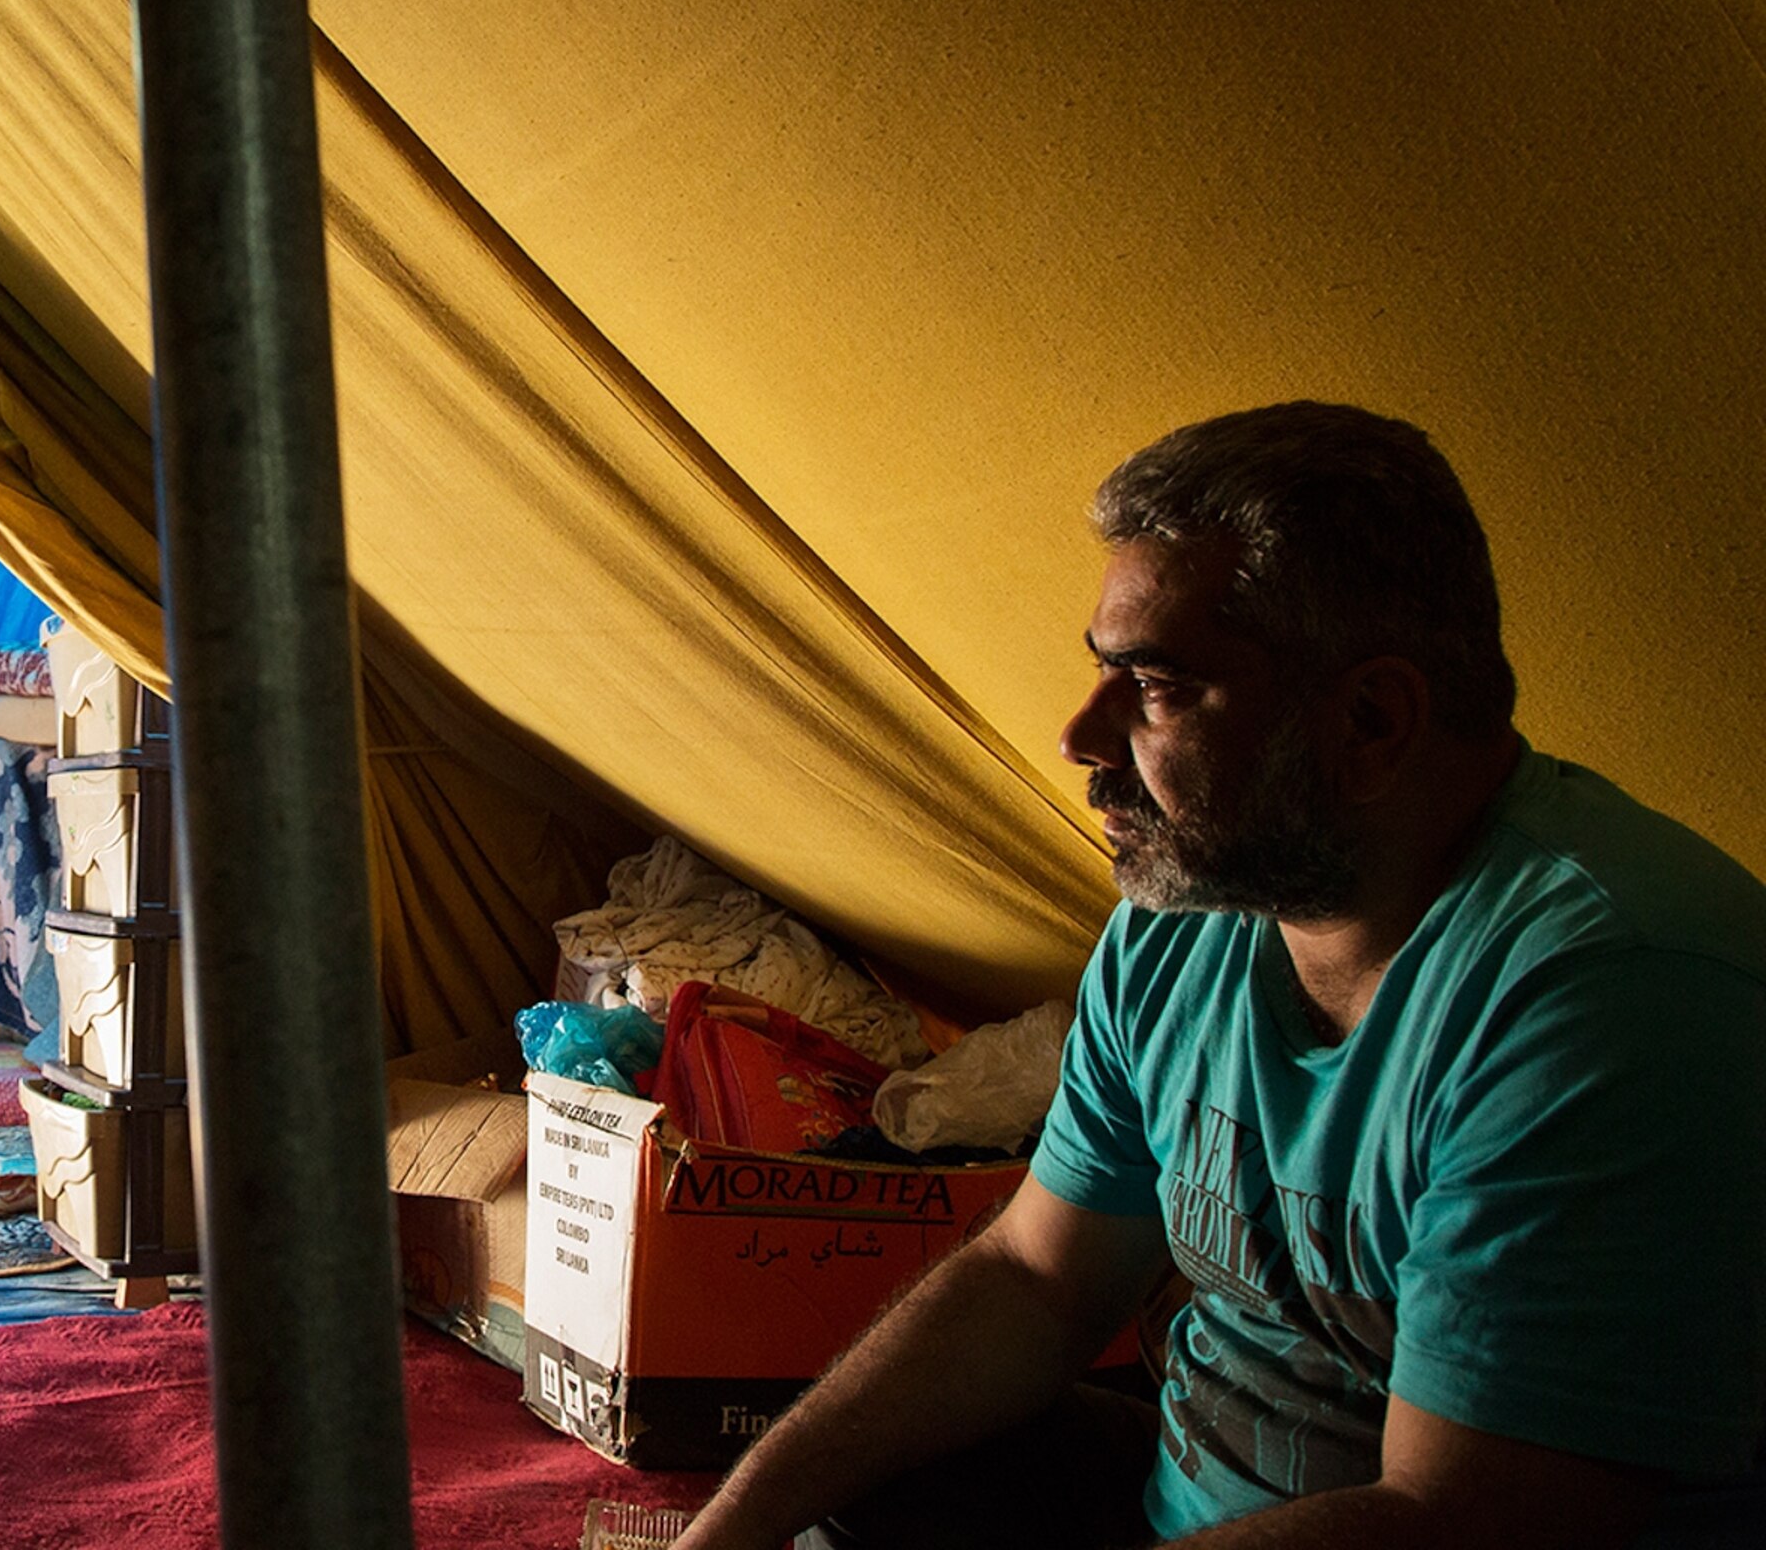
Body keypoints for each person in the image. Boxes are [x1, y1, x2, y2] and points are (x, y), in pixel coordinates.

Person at [673, 403, 1764, 1548]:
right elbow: (1034, 1281)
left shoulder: (1611, 998)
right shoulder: (1187, 917)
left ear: (1372, 720)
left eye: (1154, 687)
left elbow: (1458, 1520)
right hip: (1184, 1508)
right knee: (859, 1474)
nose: (1080, 737)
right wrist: (736, 1523)